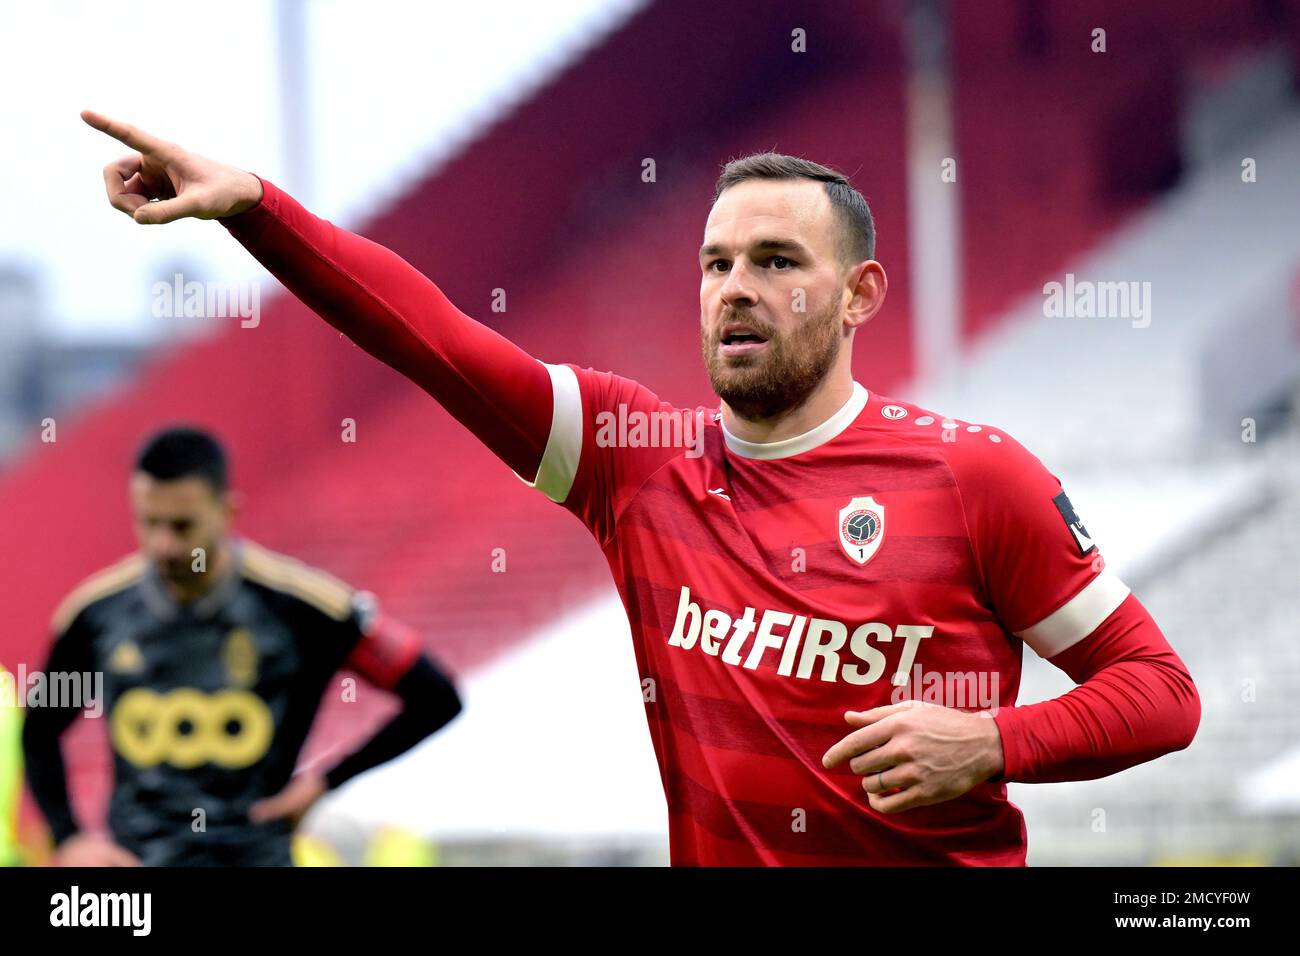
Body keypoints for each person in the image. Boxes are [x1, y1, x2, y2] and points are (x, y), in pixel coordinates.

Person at [81, 110, 1200, 866]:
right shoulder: (636, 457)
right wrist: (252, 210)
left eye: (776, 261)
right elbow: (431, 339)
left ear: (859, 293)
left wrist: (996, 741)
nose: (735, 289)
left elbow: (1161, 691)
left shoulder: (974, 476)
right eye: (717, 262)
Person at [22, 425, 462, 866]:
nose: (164, 544)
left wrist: (325, 782)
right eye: (149, 523)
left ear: (228, 511)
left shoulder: (307, 608)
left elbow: (435, 697)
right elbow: (40, 727)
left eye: (182, 525)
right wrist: (69, 836)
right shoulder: (95, 613)